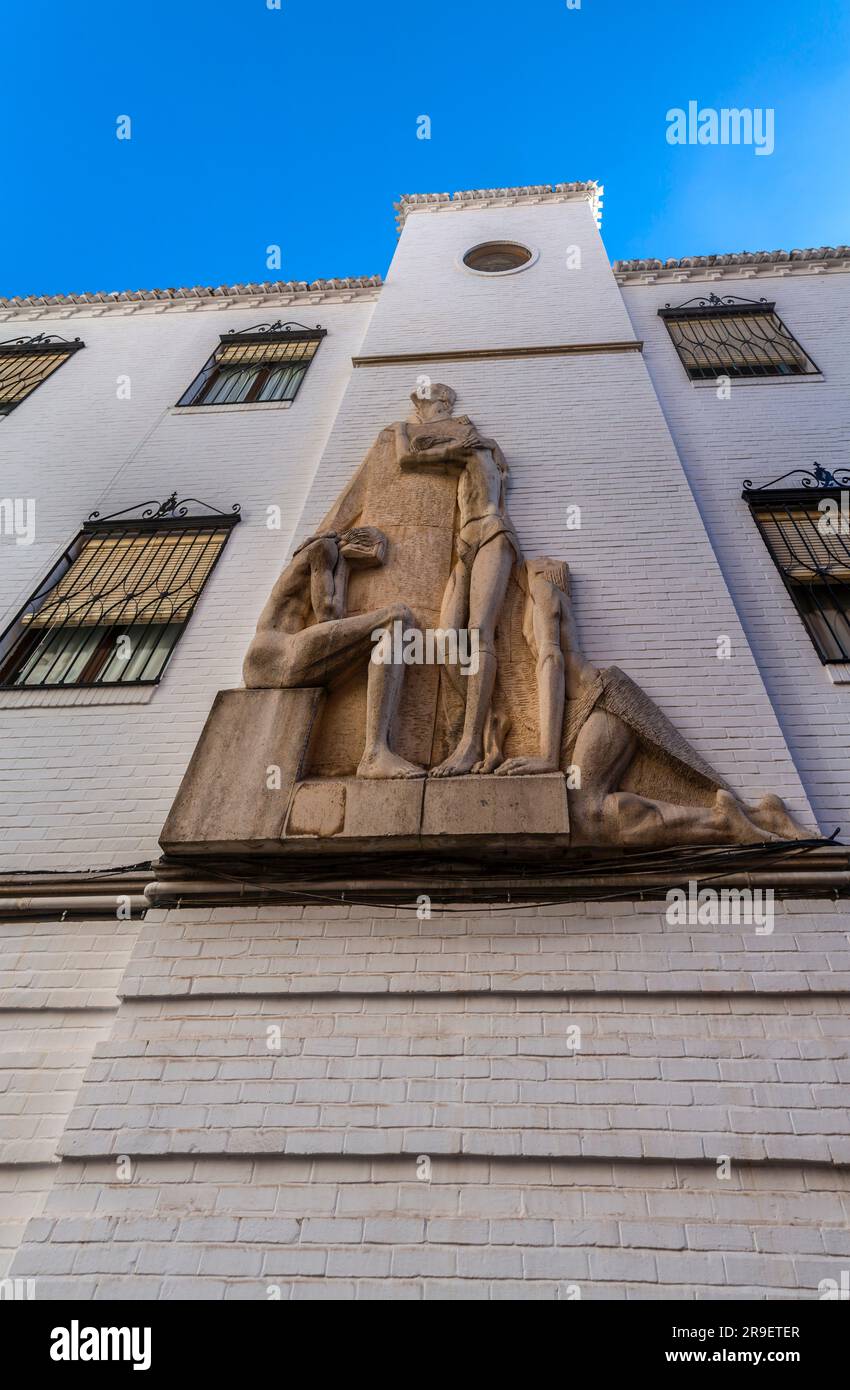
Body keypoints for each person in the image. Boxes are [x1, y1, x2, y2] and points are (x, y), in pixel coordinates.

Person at [495, 556, 811, 846]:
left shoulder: (541, 590)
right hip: (591, 706)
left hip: (603, 703)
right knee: (585, 813)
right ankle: (765, 816)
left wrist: (547, 758)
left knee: (584, 814)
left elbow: (552, 660)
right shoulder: (530, 596)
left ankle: (724, 823)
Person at [395, 383, 520, 777]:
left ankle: (468, 746)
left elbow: (407, 457)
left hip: (493, 534)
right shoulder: (468, 441)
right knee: (446, 637)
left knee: (479, 632)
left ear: (444, 405)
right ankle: (485, 727)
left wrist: (402, 430)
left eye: (425, 406)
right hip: (464, 540)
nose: (421, 414)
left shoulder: (473, 441)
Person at [243, 525, 424, 780]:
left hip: (271, 656)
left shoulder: (312, 556)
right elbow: (328, 613)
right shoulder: (323, 549)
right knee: (397, 617)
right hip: (277, 654)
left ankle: (376, 752)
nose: (372, 557)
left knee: (396, 620)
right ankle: (374, 754)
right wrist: (346, 566)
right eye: (369, 549)